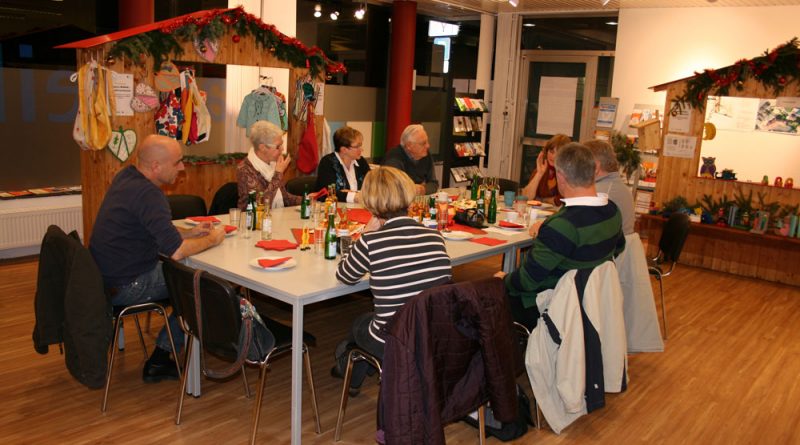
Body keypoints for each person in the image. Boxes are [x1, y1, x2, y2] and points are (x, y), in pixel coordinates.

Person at [90, 134, 225, 382]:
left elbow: (152, 230)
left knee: (187, 278)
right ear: (156, 167)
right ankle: (162, 358)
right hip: (126, 284)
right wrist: (213, 239)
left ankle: (172, 347)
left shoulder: (127, 177)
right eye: (177, 162)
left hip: (105, 277)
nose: (183, 168)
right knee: (203, 286)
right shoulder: (150, 195)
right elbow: (177, 251)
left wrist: (190, 232)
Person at [333, 166, 452, 393]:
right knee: (372, 320)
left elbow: (345, 275)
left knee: (360, 324)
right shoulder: (435, 236)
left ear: (371, 203)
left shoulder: (372, 242)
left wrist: (365, 234)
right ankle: (353, 372)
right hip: (432, 333)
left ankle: (351, 373)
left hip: (396, 341)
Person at [496, 142, 625, 330]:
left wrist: (503, 279)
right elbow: (619, 248)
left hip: (552, 306)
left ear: (561, 177)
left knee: (488, 297)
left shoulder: (561, 226)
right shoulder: (613, 211)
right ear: (594, 171)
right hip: (591, 304)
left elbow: (527, 281)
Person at [584, 139, 664, 352]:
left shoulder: (602, 193)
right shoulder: (616, 186)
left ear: (596, 166)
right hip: (617, 261)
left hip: (604, 265)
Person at [237, 120, 302, 210]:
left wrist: (306, 200)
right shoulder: (245, 169)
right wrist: (278, 174)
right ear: (263, 148)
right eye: (278, 146)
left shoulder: (272, 163)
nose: (282, 149)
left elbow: (284, 197)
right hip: (252, 220)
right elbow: (261, 205)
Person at [583, 139, 635, 235]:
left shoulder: (601, 193)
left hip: (611, 248)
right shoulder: (614, 185)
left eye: (582, 162)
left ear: (596, 166)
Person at [314, 126, 370, 203]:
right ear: (344, 150)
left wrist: (350, 193)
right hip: (335, 210)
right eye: (357, 146)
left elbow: (372, 186)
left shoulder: (361, 161)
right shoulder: (328, 163)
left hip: (359, 208)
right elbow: (328, 193)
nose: (361, 149)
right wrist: (355, 196)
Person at [382, 124, 438, 195]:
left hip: (416, 200)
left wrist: (423, 189)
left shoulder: (426, 155)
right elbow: (394, 188)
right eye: (423, 143)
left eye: (427, 142)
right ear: (409, 145)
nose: (428, 146)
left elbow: (434, 184)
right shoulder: (393, 158)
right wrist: (413, 188)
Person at [520, 134, 571, 206]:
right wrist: (539, 173)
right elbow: (526, 197)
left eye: (558, 153)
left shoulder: (569, 172)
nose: (553, 156)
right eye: (551, 151)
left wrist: (542, 200)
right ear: (546, 152)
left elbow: (562, 200)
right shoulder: (542, 168)